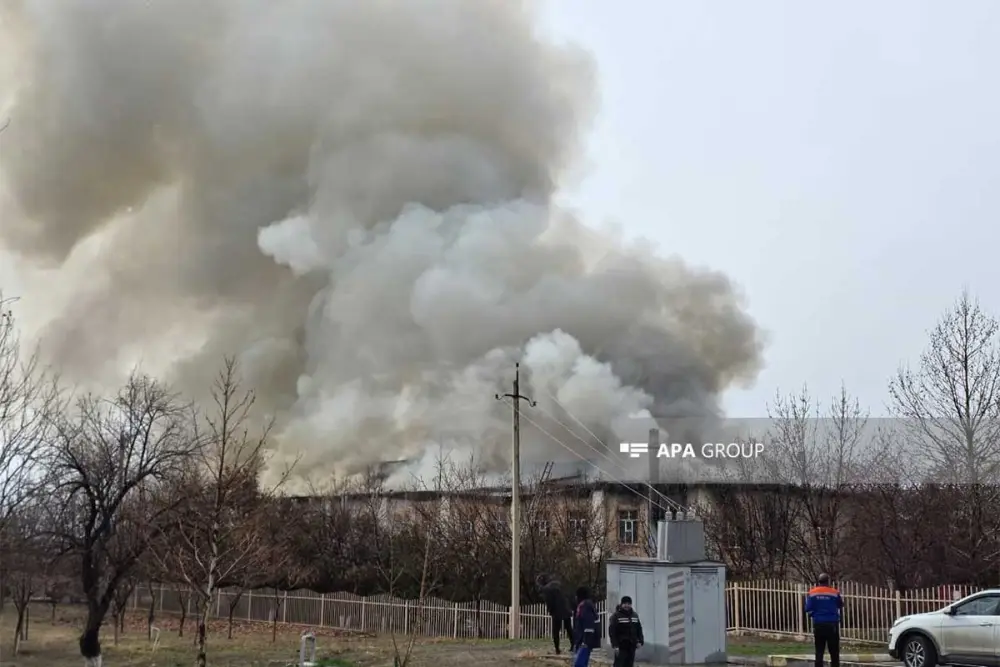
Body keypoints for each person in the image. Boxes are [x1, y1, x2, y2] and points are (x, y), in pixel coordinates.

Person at [804, 573, 843, 667]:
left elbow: (807, 608)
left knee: (819, 649)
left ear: (819, 581)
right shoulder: (834, 592)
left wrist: (814, 614)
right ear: (828, 581)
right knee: (834, 651)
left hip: (818, 623)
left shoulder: (812, 593)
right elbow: (840, 605)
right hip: (832, 624)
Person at [537, 574, 573, 654]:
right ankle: (573, 646)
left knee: (556, 631)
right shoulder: (558, 584)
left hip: (556, 611)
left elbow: (549, 602)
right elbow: (567, 595)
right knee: (569, 628)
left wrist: (550, 611)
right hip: (566, 608)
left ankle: (557, 649)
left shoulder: (546, 589)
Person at [608, 595, 643, 667]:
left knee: (629, 664)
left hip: (632, 646)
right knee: (619, 664)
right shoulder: (616, 616)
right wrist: (615, 645)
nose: (627, 605)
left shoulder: (635, 615)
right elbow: (612, 632)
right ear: (621, 604)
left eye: (629, 604)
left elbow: (639, 629)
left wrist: (640, 641)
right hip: (621, 646)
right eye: (625, 603)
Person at [572, 586, 601, 667]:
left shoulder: (585, 606)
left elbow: (588, 623)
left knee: (579, 664)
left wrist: (585, 641)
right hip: (584, 640)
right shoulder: (588, 604)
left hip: (584, 641)